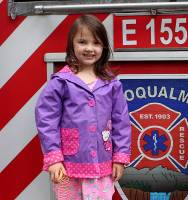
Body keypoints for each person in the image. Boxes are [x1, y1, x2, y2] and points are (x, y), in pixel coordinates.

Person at [35, 14, 131, 200]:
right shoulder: (61, 82)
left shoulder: (111, 84)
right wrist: (54, 158)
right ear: (72, 45)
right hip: (68, 165)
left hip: (102, 165)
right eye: (82, 42)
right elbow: (46, 119)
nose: (89, 48)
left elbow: (122, 121)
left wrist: (120, 156)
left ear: (103, 47)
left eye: (96, 43)